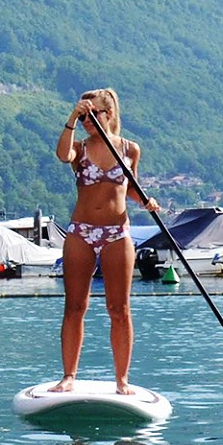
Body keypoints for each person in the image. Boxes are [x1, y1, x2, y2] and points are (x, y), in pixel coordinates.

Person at [54, 88, 158, 395]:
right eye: (83, 115)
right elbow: (62, 156)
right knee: (74, 307)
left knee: (119, 309)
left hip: (117, 233)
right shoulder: (79, 149)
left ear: (108, 115)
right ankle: (69, 376)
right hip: (81, 233)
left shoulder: (129, 149)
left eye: (92, 115)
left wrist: (147, 200)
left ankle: (122, 380)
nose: (87, 120)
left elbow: (130, 188)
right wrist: (72, 117)